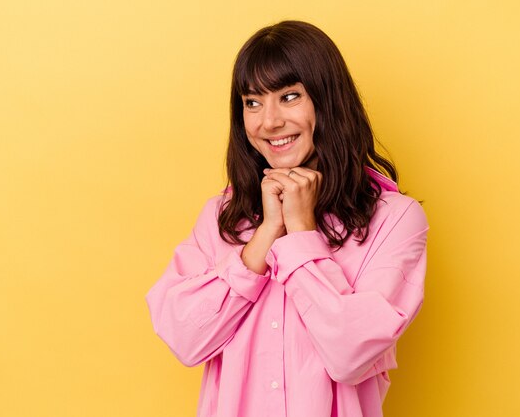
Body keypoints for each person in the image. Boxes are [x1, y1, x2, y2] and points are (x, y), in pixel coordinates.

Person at [145, 20, 429, 417]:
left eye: (290, 96)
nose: (269, 122)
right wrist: (266, 234)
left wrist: (300, 231)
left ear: (327, 101)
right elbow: (184, 338)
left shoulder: (395, 220)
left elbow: (349, 354)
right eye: (252, 102)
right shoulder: (220, 218)